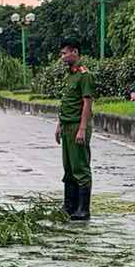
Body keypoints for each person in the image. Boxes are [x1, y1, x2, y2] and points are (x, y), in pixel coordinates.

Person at [56, 40, 94, 221]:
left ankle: (83, 209)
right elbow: (67, 103)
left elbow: (87, 103)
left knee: (80, 168)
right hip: (67, 126)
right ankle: (69, 206)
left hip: (77, 126)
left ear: (75, 52)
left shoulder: (84, 75)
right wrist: (59, 125)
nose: (62, 57)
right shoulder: (69, 74)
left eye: (65, 53)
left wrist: (82, 129)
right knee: (69, 168)